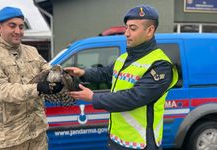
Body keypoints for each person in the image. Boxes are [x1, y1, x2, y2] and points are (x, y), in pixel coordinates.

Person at [65, 5, 178, 150]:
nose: (126, 33)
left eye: (133, 28)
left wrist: (94, 97)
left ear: (149, 31)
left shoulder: (160, 65)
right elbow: (106, 73)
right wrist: (83, 73)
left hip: (141, 144)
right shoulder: (124, 58)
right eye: (126, 28)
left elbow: (133, 97)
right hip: (117, 139)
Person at [0, 6, 63, 150]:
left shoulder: (31, 51)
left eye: (21, 27)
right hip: (10, 139)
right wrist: (38, 88)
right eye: (12, 25)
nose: (18, 31)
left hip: (37, 135)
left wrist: (59, 76)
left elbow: (46, 70)